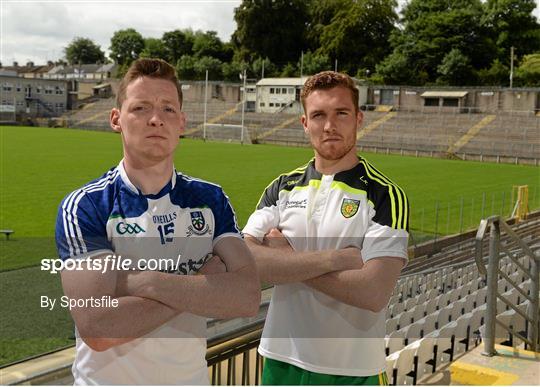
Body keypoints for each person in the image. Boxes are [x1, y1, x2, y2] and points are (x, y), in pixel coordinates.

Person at [55, 58, 260, 385]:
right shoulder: (85, 206)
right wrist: (200, 283)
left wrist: (146, 282)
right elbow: (99, 329)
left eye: (167, 109)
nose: (155, 119)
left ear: (181, 122)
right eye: (140, 108)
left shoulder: (211, 199)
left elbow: (247, 298)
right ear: (116, 119)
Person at [243, 71, 409, 385]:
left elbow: (373, 292)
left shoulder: (385, 195)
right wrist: (335, 260)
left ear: (359, 118)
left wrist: (286, 259)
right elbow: (245, 262)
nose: (329, 126)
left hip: (351, 370)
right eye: (318, 115)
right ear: (305, 123)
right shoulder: (281, 188)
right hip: (281, 361)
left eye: (341, 113)